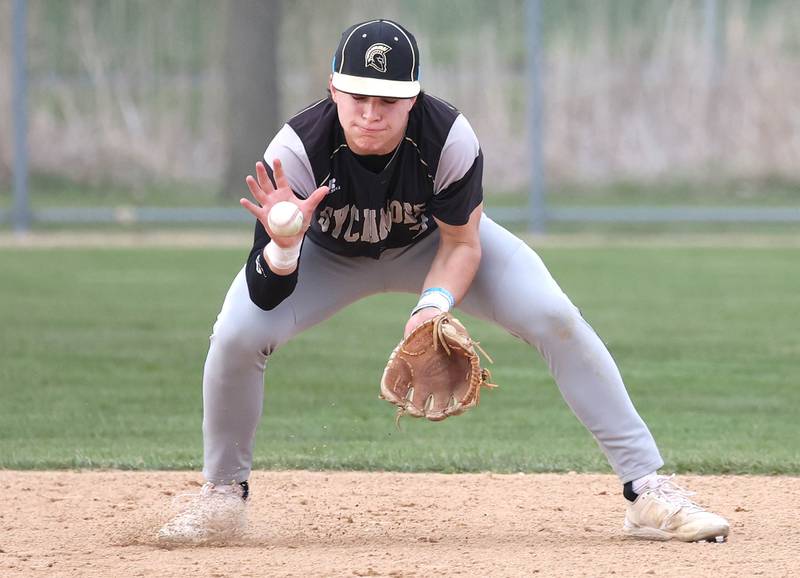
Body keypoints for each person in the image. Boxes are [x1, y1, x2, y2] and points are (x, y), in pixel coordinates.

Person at [158, 19, 729, 544]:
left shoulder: (448, 137)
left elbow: (461, 243)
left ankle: (645, 492)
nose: (371, 113)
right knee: (235, 337)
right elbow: (267, 293)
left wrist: (432, 306)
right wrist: (284, 246)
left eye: (389, 100)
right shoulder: (295, 150)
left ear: (414, 98)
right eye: (358, 96)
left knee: (555, 317)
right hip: (324, 257)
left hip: (431, 245)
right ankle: (223, 495)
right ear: (333, 90)